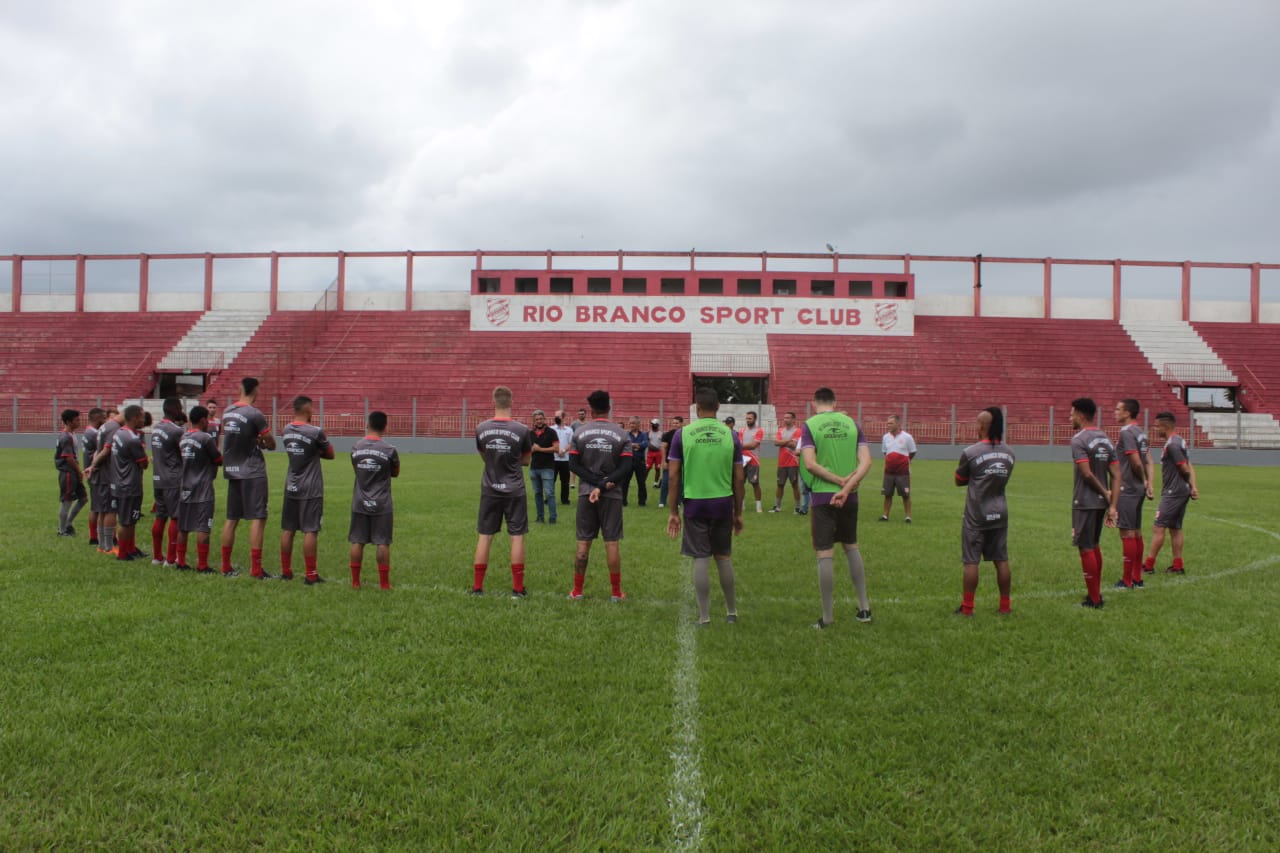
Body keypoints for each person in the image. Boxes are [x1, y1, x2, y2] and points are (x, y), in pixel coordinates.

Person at [666, 387, 743, 626]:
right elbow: (739, 477)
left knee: (700, 557)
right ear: (718, 408)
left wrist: (672, 512)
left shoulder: (683, 434)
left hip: (695, 502)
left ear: (697, 408)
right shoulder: (731, 435)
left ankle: (705, 615)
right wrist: (738, 512)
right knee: (723, 557)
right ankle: (731, 612)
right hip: (723, 501)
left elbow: (673, 476)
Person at [798, 388, 873, 628]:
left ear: (814, 403)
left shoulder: (810, 425)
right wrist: (848, 484)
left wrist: (837, 482)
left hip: (823, 496)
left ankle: (828, 617)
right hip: (850, 496)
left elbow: (809, 464)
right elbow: (866, 461)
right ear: (835, 402)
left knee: (825, 552)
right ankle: (864, 608)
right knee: (851, 546)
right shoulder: (852, 423)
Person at [567, 390, 632, 601]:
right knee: (611, 543)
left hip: (586, 494)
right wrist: (604, 485)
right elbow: (626, 466)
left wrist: (595, 484)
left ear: (591, 410)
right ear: (609, 407)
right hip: (611, 495)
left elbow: (573, 465)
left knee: (583, 544)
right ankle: (616, 593)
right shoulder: (622, 434)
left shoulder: (579, 433)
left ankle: (577, 591)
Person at [471, 385, 533, 596]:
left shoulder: (481, 428)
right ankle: (517, 588)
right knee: (516, 537)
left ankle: (478, 587)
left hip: (490, 488)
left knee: (485, 536)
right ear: (511, 402)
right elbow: (526, 460)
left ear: (493, 402)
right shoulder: (522, 430)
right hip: (514, 489)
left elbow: (484, 456)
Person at [954, 408, 1015, 616]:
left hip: (976, 514)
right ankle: (1005, 606)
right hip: (1000, 511)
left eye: (977, 422)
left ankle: (968, 608)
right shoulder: (1009, 453)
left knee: (971, 561)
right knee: (1001, 559)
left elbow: (959, 480)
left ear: (982, 425)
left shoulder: (970, 452)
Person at [220, 377, 276, 578]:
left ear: (240, 388)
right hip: (252, 471)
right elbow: (269, 442)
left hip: (232, 468)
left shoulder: (227, 412)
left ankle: (225, 567)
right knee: (258, 517)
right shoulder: (254, 414)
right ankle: (256, 569)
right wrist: (265, 442)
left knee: (232, 518)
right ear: (256, 391)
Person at [1070, 397, 1120, 608]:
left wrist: (1105, 494)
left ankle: (1095, 599)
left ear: (1081, 415)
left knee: (1085, 547)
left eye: (1071, 413)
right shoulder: (1105, 439)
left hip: (1085, 501)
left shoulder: (1079, 439)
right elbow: (1117, 474)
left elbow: (1087, 474)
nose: (1069, 417)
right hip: (1101, 504)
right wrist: (1112, 505)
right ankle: (1095, 594)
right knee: (1094, 545)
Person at [281, 395, 334, 583]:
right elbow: (330, 454)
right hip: (310, 487)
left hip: (291, 484)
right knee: (311, 529)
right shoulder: (315, 432)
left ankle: (286, 571)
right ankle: (311, 575)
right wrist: (316, 451)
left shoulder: (286, 430)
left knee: (288, 529)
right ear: (308, 409)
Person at [1142, 412, 1199, 574]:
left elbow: (1184, 467)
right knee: (1175, 528)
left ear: (1165, 426)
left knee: (1159, 527)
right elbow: (1189, 464)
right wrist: (1192, 487)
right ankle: (1178, 565)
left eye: (1157, 425)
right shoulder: (1179, 441)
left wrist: (1189, 483)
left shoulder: (1172, 444)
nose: (1155, 428)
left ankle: (1148, 565)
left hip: (1173, 492)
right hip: (1181, 491)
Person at [349, 410, 400, 590]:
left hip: (360, 501)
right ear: (385, 427)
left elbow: (357, 468)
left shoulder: (356, 447)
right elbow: (395, 472)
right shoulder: (389, 450)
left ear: (367, 424)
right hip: (382, 502)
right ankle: (384, 584)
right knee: (382, 542)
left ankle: (355, 582)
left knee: (357, 541)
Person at [1112, 399, 1154, 590]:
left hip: (1127, 488)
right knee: (1136, 531)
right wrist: (1148, 482)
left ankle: (1127, 580)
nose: (1115, 412)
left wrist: (1142, 478)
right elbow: (1148, 460)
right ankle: (1137, 578)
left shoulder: (1127, 432)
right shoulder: (1140, 432)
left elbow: (1137, 462)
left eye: (1118, 409)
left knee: (1127, 532)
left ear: (1127, 413)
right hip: (1137, 489)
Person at [177, 405, 222, 572]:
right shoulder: (205, 438)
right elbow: (218, 459)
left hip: (185, 486)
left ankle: (180, 562)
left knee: (184, 526)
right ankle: (202, 565)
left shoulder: (183, 437)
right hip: (202, 488)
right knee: (203, 526)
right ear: (203, 420)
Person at [109, 405, 150, 562]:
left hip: (119, 482)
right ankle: (122, 553)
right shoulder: (132, 439)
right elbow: (143, 463)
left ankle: (129, 549)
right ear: (134, 418)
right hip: (129, 485)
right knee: (127, 522)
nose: (143, 420)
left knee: (130, 520)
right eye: (141, 417)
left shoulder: (119, 433)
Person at [148, 397, 186, 567]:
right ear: (176, 409)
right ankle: (171, 559)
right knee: (175, 518)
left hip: (157, 478)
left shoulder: (156, 429)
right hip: (173, 478)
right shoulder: (176, 430)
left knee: (160, 517)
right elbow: (184, 453)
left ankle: (157, 557)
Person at [85, 406, 125, 555]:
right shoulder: (114, 428)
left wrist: (92, 465)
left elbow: (98, 450)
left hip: (100, 475)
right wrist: (93, 465)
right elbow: (106, 450)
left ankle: (102, 545)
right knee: (109, 511)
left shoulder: (105, 426)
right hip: (107, 476)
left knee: (102, 510)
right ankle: (108, 547)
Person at [55, 408, 88, 537]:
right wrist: (79, 471)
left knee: (83, 498)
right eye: (76, 420)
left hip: (72, 472)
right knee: (67, 501)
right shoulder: (65, 437)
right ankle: (62, 530)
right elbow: (68, 457)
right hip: (68, 472)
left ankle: (68, 523)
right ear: (69, 421)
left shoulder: (71, 435)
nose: (79, 422)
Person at [880, 414, 917, 522]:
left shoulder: (907, 437)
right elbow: (885, 452)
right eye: (887, 423)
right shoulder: (885, 437)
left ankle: (908, 517)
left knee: (905, 495)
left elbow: (913, 451)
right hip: (889, 471)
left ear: (897, 424)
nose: (888, 425)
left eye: (891, 423)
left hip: (903, 472)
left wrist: (905, 461)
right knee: (887, 494)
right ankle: (885, 516)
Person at [528, 409, 559, 523]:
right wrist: (530, 450)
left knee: (549, 494)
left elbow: (556, 449)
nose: (539, 421)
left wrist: (539, 449)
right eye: (537, 420)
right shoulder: (530, 434)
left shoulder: (551, 432)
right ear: (534, 421)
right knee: (537, 494)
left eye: (541, 419)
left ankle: (552, 518)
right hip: (534, 468)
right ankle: (540, 518)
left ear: (544, 419)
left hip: (547, 467)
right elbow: (527, 450)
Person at [81, 407, 106, 546]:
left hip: (91, 472)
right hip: (96, 472)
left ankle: (94, 536)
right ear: (97, 418)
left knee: (95, 506)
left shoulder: (88, 431)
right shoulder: (95, 434)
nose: (105, 420)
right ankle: (97, 537)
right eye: (103, 417)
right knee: (100, 507)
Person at [770, 411, 803, 513]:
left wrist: (782, 442)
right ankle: (777, 506)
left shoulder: (798, 431)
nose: (785, 419)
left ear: (793, 420)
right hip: (782, 462)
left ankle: (797, 507)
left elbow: (794, 445)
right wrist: (788, 441)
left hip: (793, 462)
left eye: (788, 418)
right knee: (780, 484)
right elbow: (776, 443)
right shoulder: (780, 430)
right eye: (784, 417)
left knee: (794, 484)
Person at [738, 411, 765, 513]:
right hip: (742, 460)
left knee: (755, 483)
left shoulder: (759, 431)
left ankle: (758, 506)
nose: (748, 420)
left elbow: (753, 445)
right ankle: (742, 505)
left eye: (750, 418)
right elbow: (742, 444)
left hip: (754, 461)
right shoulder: (742, 431)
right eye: (747, 418)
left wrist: (740, 446)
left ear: (755, 419)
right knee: (740, 483)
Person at [658, 415, 684, 508]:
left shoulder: (686, 434)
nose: (675, 425)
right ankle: (662, 501)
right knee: (665, 482)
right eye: (673, 423)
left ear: (681, 423)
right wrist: (664, 462)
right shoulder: (667, 435)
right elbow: (663, 448)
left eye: (677, 423)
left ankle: (678, 502)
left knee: (680, 482)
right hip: (670, 462)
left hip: (682, 462)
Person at [621, 415, 648, 507]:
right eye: (630, 423)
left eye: (633, 423)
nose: (631, 425)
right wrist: (637, 445)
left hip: (640, 461)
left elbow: (645, 444)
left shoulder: (643, 434)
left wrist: (634, 445)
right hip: (628, 461)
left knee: (641, 482)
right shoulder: (626, 435)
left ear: (638, 424)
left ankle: (642, 502)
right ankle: (623, 501)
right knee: (625, 482)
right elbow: (625, 445)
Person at [552, 410, 575, 506]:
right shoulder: (551, 429)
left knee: (565, 481)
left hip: (565, 459)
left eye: (558, 416)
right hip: (553, 458)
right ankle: (548, 499)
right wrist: (557, 451)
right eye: (555, 416)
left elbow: (571, 443)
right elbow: (549, 442)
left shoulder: (569, 430)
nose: (556, 418)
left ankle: (565, 500)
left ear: (563, 417)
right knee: (551, 480)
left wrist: (564, 451)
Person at [647, 418, 664, 487]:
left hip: (658, 453)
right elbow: (647, 442)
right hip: (650, 453)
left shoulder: (661, 434)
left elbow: (663, 444)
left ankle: (656, 483)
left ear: (657, 425)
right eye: (652, 424)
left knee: (657, 468)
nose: (652, 426)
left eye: (654, 424)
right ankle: (642, 481)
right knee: (647, 468)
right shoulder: (648, 433)